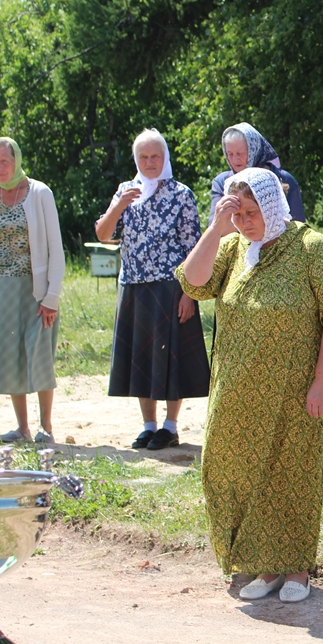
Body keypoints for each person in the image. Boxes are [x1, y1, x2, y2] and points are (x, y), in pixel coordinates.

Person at [176, 167, 323, 603]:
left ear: (272, 206)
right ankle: (262, 564)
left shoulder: (311, 247)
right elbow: (193, 281)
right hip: (235, 389)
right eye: (237, 214)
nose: (244, 222)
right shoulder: (233, 247)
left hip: (294, 392)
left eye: (252, 213)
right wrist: (216, 228)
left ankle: (296, 570)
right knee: (235, 472)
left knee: (291, 473)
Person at [94, 129, 210, 450]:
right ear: (136, 159)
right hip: (133, 285)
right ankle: (148, 425)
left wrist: (190, 293)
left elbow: (193, 248)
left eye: (155, 156)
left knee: (172, 360)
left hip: (172, 287)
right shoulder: (124, 191)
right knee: (141, 358)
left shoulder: (181, 194)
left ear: (165, 157)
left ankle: (170, 426)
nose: (149, 162)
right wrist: (118, 206)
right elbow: (104, 234)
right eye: (143, 157)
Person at [0, 137, 63, 444]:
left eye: (5, 161)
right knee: (9, 355)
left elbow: (56, 249)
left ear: (16, 160)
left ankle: (46, 426)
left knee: (38, 352)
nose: (0, 168)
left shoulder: (39, 192)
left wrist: (51, 296)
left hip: (35, 289)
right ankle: (22, 428)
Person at [209, 122, 305, 224]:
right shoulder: (222, 183)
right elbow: (214, 225)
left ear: (253, 150)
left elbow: (298, 224)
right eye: (230, 154)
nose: (235, 159)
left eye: (240, 153)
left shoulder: (282, 178)